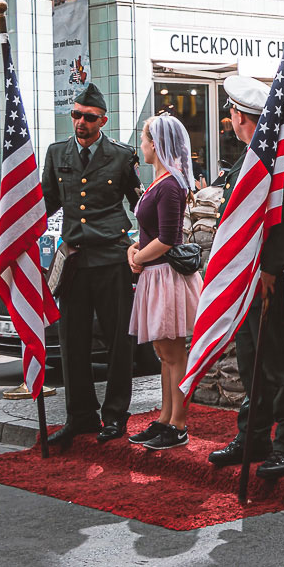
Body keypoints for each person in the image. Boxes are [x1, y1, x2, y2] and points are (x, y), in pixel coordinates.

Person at [207, 76, 284, 479]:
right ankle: (253, 436)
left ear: (240, 116)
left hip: (271, 279)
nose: (230, 119)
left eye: (231, 113)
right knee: (252, 363)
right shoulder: (245, 163)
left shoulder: (282, 160)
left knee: (280, 365)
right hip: (245, 281)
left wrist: (268, 268)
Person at [40, 83, 142, 449]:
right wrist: (19, 238)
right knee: (73, 342)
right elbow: (46, 204)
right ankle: (80, 416)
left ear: (103, 120)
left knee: (118, 342)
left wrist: (142, 248)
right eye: (76, 115)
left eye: (88, 117)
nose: (80, 122)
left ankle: (115, 416)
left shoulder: (121, 156)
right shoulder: (56, 153)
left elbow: (140, 204)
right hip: (75, 261)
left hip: (113, 258)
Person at [126, 114, 203, 450]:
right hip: (155, 274)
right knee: (163, 351)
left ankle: (179, 424)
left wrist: (138, 257)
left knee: (173, 353)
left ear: (155, 144)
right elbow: (152, 233)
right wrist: (136, 249)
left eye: (143, 139)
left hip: (165, 275)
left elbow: (169, 237)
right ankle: (164, 420)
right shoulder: (163, 182)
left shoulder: (169, 184)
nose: (140, 146)